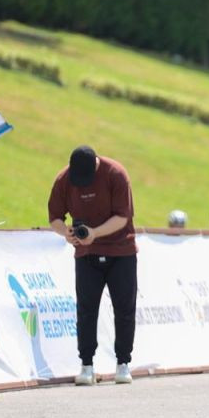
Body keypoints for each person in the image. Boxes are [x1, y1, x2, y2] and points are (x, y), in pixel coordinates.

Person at [47, 144, 137, 387]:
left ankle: (123, 363)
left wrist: (95, 233)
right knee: (86, 310)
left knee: (124, 307)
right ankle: (86, 364)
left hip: (121, 251)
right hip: (86, 253)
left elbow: (123, 217)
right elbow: (55, 217)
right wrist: (65, 233)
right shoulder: (65, 179)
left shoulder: (115, 174)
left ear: (97, 164)